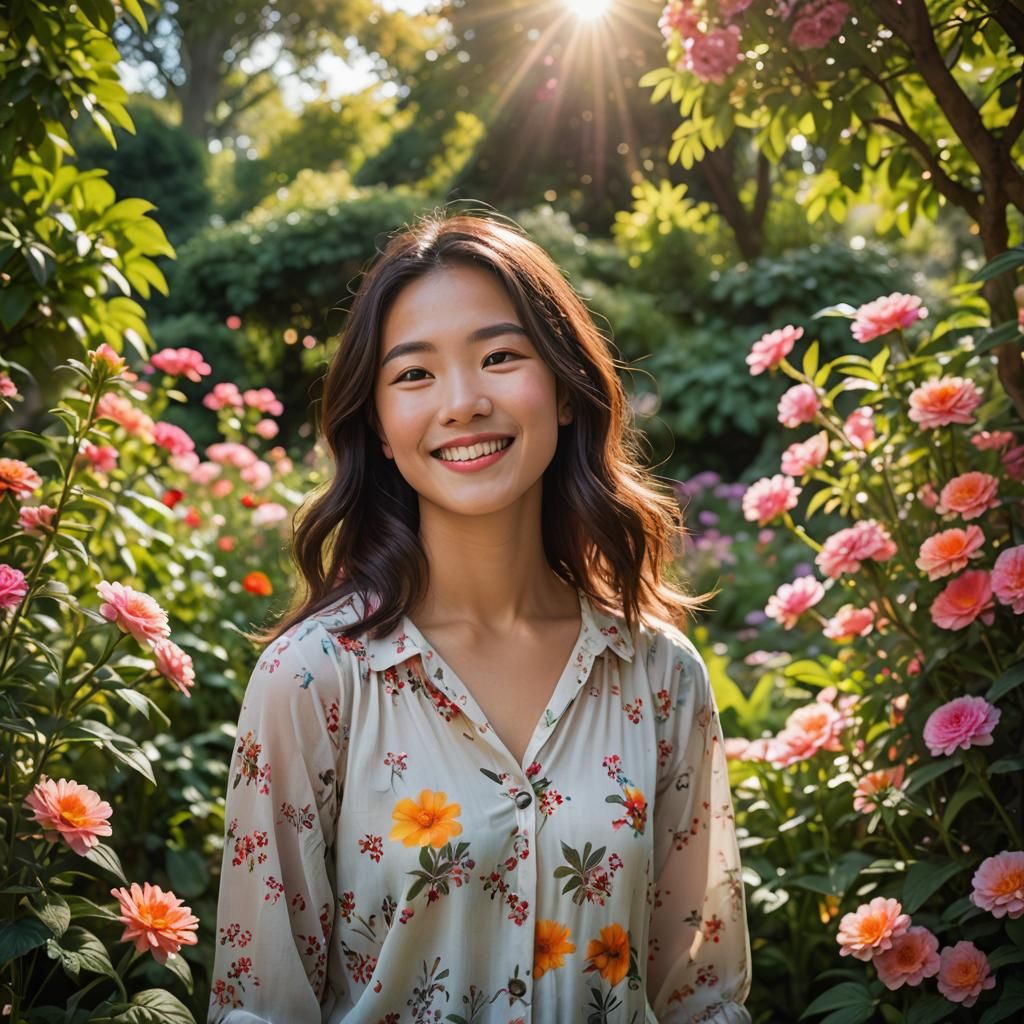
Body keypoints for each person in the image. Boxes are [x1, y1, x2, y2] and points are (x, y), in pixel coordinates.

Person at [208, 211, 752, 1023]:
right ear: (381, 431)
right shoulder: (314, 679)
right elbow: (260, 1007)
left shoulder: (659, 675)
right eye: (414, 375)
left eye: (500, 357)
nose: (463, 403)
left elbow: (699, 998)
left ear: (565, 392)